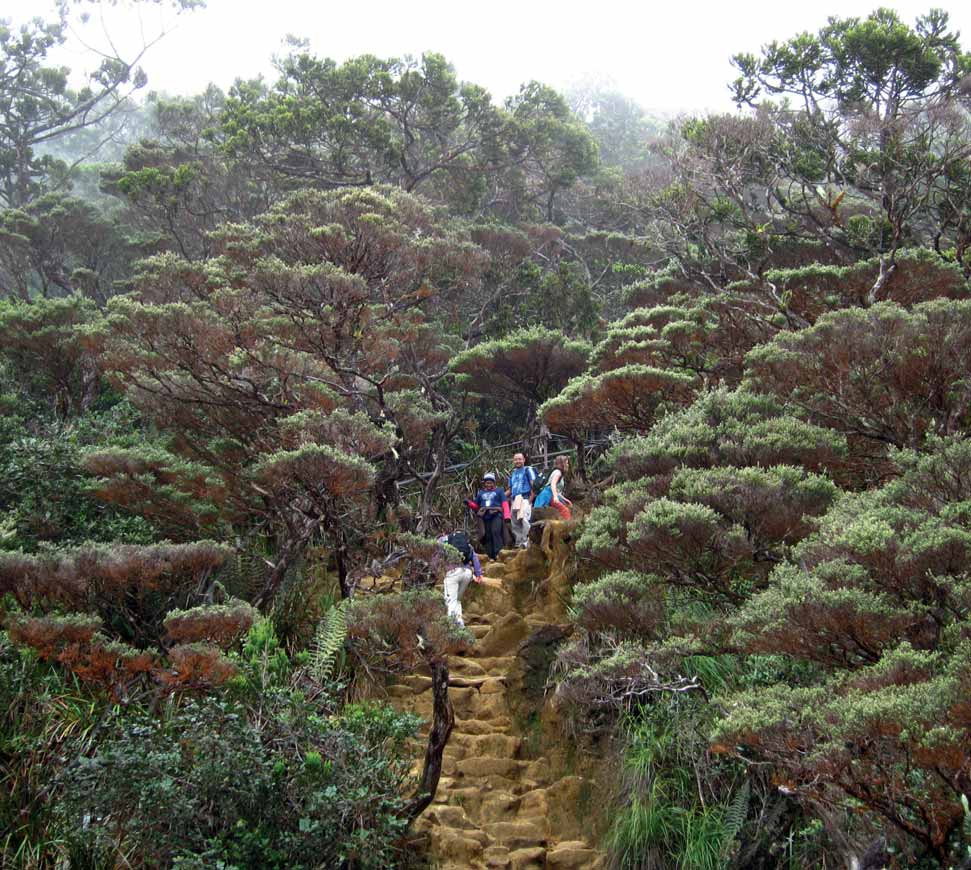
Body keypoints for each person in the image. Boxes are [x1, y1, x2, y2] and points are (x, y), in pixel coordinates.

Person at [438, 530, 482, 627]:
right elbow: (474, 557)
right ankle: (460, 624)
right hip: (467, 573)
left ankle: (453, 628)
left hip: (452, 573)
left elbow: (436, 553)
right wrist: (478, 574)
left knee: (450, 601)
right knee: (457, 599)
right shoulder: (466, 543)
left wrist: (435, 569)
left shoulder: (444, 540)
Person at [466, 472, 509, 559]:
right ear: (484, 483)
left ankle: (498, 554)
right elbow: (476, 506)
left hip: (496, 514)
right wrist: (469, 503)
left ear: (494, 483)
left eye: (490, 482)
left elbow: (504, 503)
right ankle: (490, 556)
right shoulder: (481, 493)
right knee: (487, 535)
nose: (488, 484)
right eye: (487, 483)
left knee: (495, 532)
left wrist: (507, 515)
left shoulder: (499, 491)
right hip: (485, 516)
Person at [506, 452, 537, 548]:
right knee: (515, 521)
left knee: (524, 520)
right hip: (515, 499)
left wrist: (530, 499)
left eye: (519, 459)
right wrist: (499, 496)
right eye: (515, 459)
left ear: (524, 460)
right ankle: (518, 542)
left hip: (525, 498)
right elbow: (510, 490)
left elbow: (534, 485)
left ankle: (526, 542)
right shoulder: (512, 474)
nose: (517, 461)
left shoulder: (528, 470)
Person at [533, 454, 572, 520]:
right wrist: (555, 497)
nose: (568, 465)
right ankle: (568, 526)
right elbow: (553, 484)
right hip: (547, 495)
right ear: (562, 464)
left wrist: (565, 499)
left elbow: (556, 489)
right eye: (566, 463)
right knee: (565, 511)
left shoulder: (557, 472)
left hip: (549, 494)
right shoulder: (558, 473)